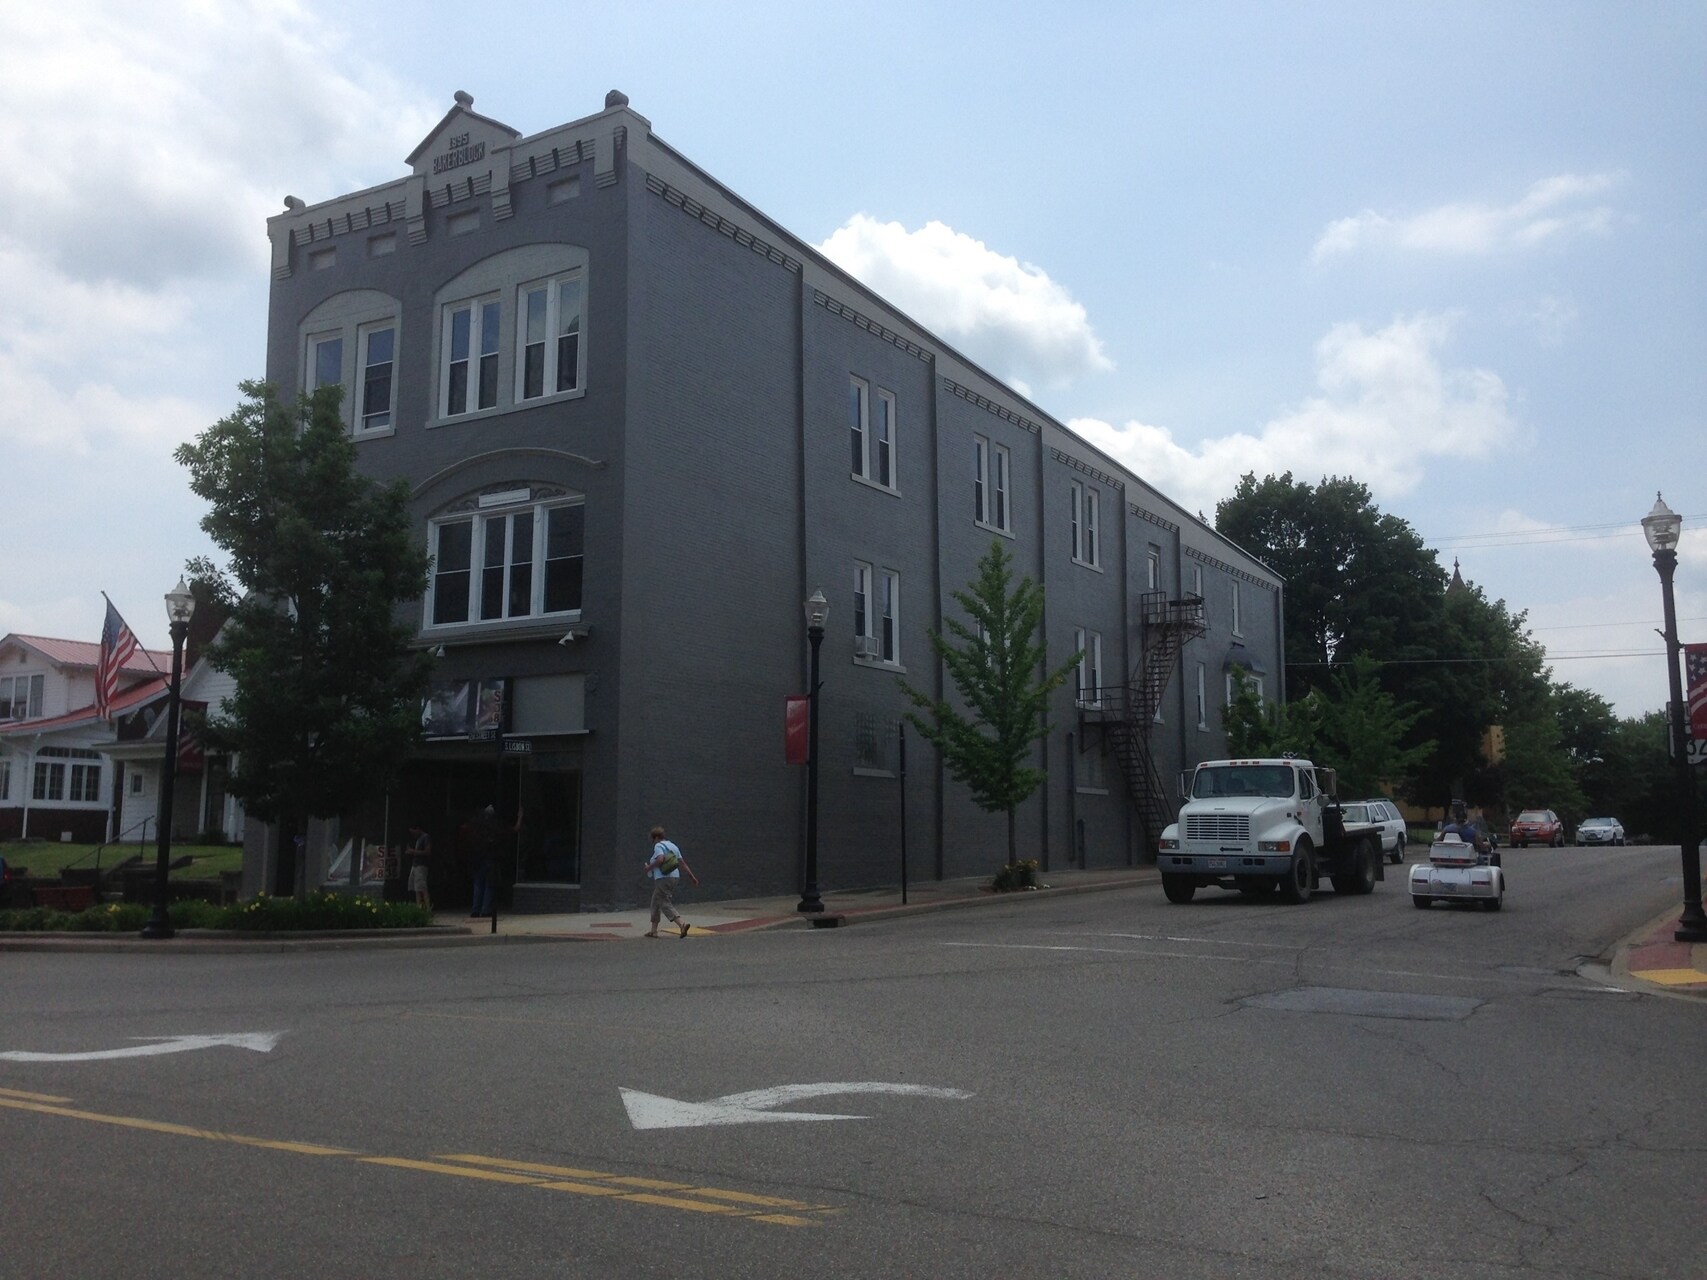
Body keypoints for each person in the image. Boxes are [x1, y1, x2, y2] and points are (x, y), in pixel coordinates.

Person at [643, 825, 699, 938]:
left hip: (663, 878)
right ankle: (653, 931)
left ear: (656, 838)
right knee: (655, 901)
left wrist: (649, 867)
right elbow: (683, 863)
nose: (653, 842)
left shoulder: (658, 846)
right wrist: (692, 877)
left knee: (663, 901)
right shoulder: (673, 846)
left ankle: (682, 924)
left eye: (653, 839)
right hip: (675, 877)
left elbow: (660, 859)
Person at [405, 825, 432, 912]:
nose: (413, 834)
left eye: (414, 831)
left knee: (422, 888)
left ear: (418, 829)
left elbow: (428, 851)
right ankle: (419, 908)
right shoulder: (418, 839)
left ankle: (428, 909)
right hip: (415, 865)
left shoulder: (425, 837)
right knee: (416, 888)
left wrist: (413, 851)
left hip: (421, 865)